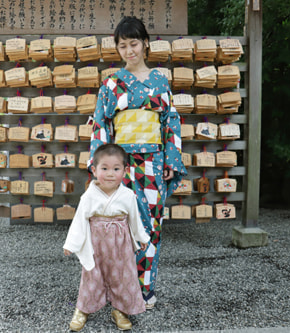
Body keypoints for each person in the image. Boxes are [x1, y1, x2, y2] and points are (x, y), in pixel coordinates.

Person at [88, 16, 187, 309]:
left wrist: (171, 158)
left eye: (134, 44)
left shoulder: (159, 80)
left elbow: (171, 122)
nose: (129, 51)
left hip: (154, 163)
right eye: (123, 46)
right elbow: (101, 125)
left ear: (145, 43)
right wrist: (101, 167)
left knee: (151, 225)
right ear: (117, 49)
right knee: (117, 224)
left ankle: (144, 289)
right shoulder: (112, 83)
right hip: (121, 164)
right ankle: (118, 290)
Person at [64, 143, 151, 331]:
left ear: (125, 171)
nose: (110, 173)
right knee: (92, 276)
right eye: (104, 168)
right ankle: (83, 309)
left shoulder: (128, 195)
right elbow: (79, 220)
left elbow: (135, 219)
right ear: (94, 170)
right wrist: (71, 243)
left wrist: (141, 238)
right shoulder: (88, 196)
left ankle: (120, 310)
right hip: (96, 243)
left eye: (116, 169)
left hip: (121, 244)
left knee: (123, 276)